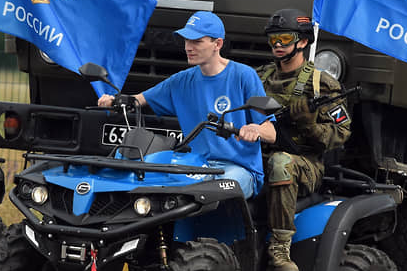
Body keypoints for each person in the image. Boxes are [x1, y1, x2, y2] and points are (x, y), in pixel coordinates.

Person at [98, 11, 275, 198]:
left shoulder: (244, 76)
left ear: (218, 44)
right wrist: (113, 100)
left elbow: (271, 133)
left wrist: (255, 129)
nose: (188, 47)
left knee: (216, 191)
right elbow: (137, 100)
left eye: (196, 41)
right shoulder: (181, 81)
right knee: (146, 183)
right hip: (193, 165)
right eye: (186, 41)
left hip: (238, 170)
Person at [257, 8, 352, 271]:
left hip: (305, 163)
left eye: (284, 39)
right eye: (273, 39)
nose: (277, 45)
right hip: (256, 153)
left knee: (281, 163)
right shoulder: (259, 78)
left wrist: (310, 125)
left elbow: (341, 133)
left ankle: (280, 249)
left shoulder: (322, 85)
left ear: (302, 42)